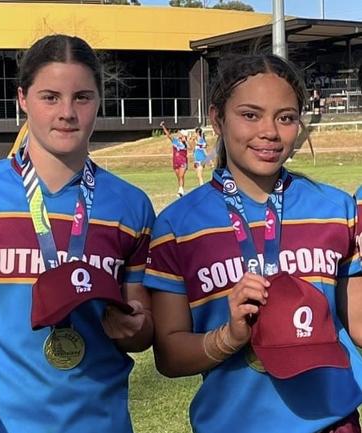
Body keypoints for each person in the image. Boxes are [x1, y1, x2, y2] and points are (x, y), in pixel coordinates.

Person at [0, 34, 155, 433]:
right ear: (22, 99)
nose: (67, 112)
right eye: (50, 97)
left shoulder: (130, 206)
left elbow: (142, 328)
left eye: (82, 97)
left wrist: (135, 328)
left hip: (98, 422)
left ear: (100, 101)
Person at [144, 53, 362, 433]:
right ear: (216, 118)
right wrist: (228, 337)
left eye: (286, 117)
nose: (270, 132)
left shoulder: (336, 209)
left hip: (334, 422)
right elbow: (169, 355)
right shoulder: (178, 226)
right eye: (250, 115)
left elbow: (358, 324)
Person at [160, 120, 188, 197]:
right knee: (179, 176)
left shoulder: (185, 142)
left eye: (180, 133)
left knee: (181, 175)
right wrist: (163, 127)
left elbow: (188, 147)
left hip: (183, 161)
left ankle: (181, 190)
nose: (179, 134)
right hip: (176, 161)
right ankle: (180, 189)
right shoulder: (175, 141)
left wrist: (184, 141)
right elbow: (168, 135)